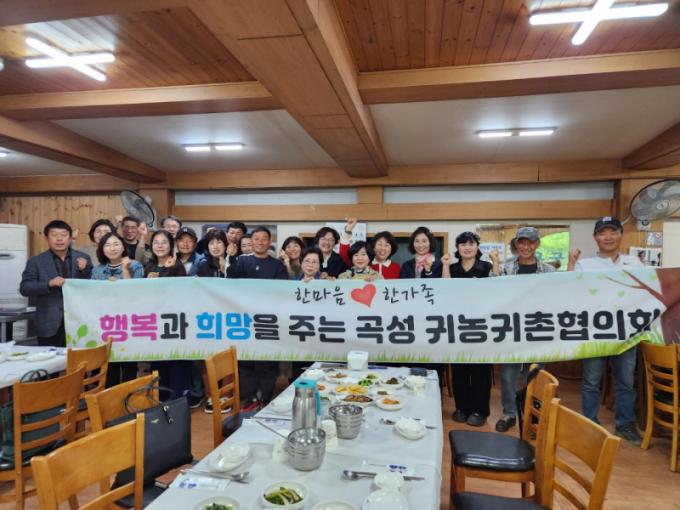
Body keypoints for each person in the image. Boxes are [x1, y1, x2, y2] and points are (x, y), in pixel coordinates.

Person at [568, 216, 644, 445]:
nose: (608, 237)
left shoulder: (635, 263)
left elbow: (645, 294)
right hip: (595, 333)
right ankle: (590, 423)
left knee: (626, 381)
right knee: (591, 381)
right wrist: (571, 263)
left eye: (613, 232)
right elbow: (570, 291)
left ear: (621, 234)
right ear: (595, 237)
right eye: (603, 233)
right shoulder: (585, 265)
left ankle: (625, 424)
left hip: (626, 333)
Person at [495, 226, 555, 433]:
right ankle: (509, 413)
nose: (526, 247)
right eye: (522, 242)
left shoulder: (549, 271)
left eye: (530, 242)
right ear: (516, 245)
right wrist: (495, 264)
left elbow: (560, 294)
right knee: (508, 374)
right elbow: (492, 291)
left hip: (538, 328)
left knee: (536, 373)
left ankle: (533, 415)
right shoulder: (506, 268)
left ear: (537, 244)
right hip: (511, 329)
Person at [441, 232, 498, 427]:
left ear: (477, 247)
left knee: (481, 371)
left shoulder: (486, 267)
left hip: (482, 326)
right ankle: (461, 408)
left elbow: (498, 289)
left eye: (471, 244)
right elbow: (444, 290)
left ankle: (479, 411)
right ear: (457, 248)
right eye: (463, 244)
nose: (467, 247)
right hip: (457, 326)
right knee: (459, 371)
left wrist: (496, 263)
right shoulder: (453, 268)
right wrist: (445, 265)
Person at [229, 226, 288, 410]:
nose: (260, 242)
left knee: (267, 360)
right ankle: (251, 397)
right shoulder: (241, 261)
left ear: (269, 242)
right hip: (244, 319)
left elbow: (281, 292)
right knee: (245, 360)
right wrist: (231, 258)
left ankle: (265, 397)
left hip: (268, 320)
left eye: (264, 239)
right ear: (251, 241)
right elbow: (230, 283)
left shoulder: (277, 265)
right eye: (257, 239)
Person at [20, 220, 92, 347]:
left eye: (63, 234)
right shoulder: (36, 261)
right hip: (49, 323)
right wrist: (49, 283)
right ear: (47, 238)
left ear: (70, 238)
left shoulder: (83, 258)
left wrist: (84, 270)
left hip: (79, 321)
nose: (59, 239)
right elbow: (25, 288)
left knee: (80, 358)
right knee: (51, 359)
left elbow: (91, 286)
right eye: (54, 235)